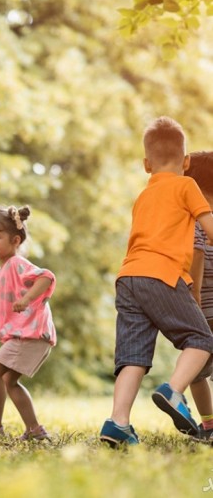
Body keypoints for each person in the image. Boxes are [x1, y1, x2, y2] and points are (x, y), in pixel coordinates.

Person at [99, 116, 213, 447]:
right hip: (162, 275)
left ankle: (118, 422)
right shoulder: (187, 186)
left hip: (128, 277)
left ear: (146, 164)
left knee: (132, 356)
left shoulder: (143, 195)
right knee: (201, 339)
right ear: (186, 161)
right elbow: (208, 228)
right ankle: (174, 391)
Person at [0, 206, 56, 440]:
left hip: (31, 335)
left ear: (15, 240)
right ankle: (35, 430)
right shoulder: (1, 272)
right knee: (8, 380)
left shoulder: (17, 263)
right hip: (31, 336)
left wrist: (26, 299)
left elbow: (46, 277)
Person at [185, 151, 213, 443]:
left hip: (203, 312)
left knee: (195, 372)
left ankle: (208, 424)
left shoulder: (197, 223)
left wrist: (192, 297)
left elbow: (197, 255)